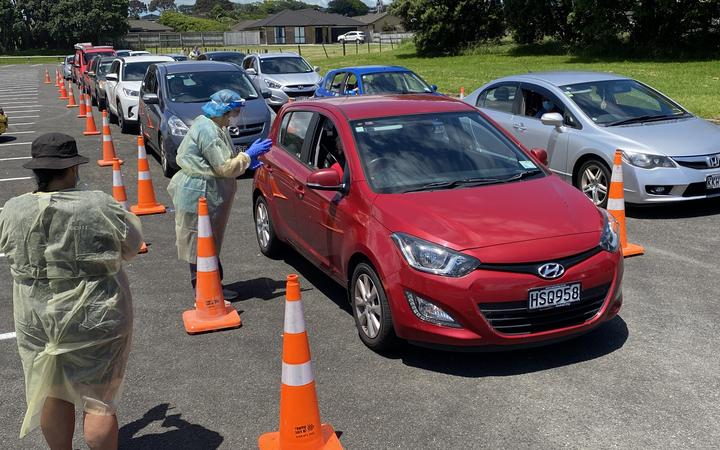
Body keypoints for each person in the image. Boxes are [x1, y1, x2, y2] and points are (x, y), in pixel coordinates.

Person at [0, 133, 144, 449]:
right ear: (72, 169)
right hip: (97, 318)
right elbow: (132, 246)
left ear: (37, 171)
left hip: (39, 321)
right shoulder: (99, 204)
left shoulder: (13, 210)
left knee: (52, 392)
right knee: (99, 401)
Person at [167, 89, 271, 299]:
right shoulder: (209, 131)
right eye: (234, 112)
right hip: (200, 193)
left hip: (206, 191)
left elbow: (223, 158)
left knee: (206, 242)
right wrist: (248, 156)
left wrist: (245, 162)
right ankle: (206, 292)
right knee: (201, 243)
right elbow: (224, 166)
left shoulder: (212, 124)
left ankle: (211, 286)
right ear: (225, 110)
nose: (235, 117)